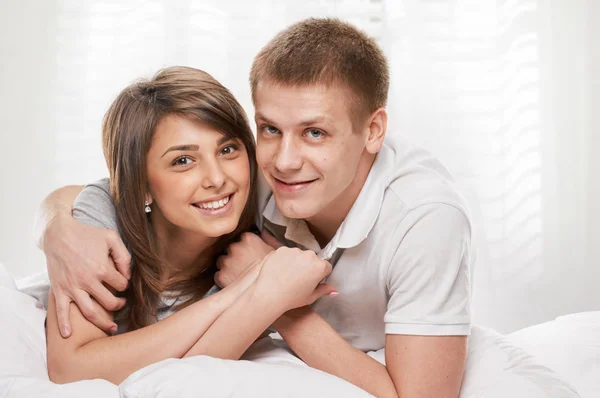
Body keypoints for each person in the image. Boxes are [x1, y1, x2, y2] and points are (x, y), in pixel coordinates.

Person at [37, 19, 473, 397]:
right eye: (268, 128)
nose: (283, 161)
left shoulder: (424, 218)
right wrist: (56, 224)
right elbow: (111, 190)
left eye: (315, 133)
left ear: (373, 130)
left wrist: (277, 301)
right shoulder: (249, 178)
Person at [41, 66, 335, 385]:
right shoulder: (102, 221)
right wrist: (247, 289)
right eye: (183, 160)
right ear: (141, 187)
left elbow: (195, 369)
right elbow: (70, 368)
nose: (217, 178)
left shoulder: (266, 220)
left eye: (227, 150)